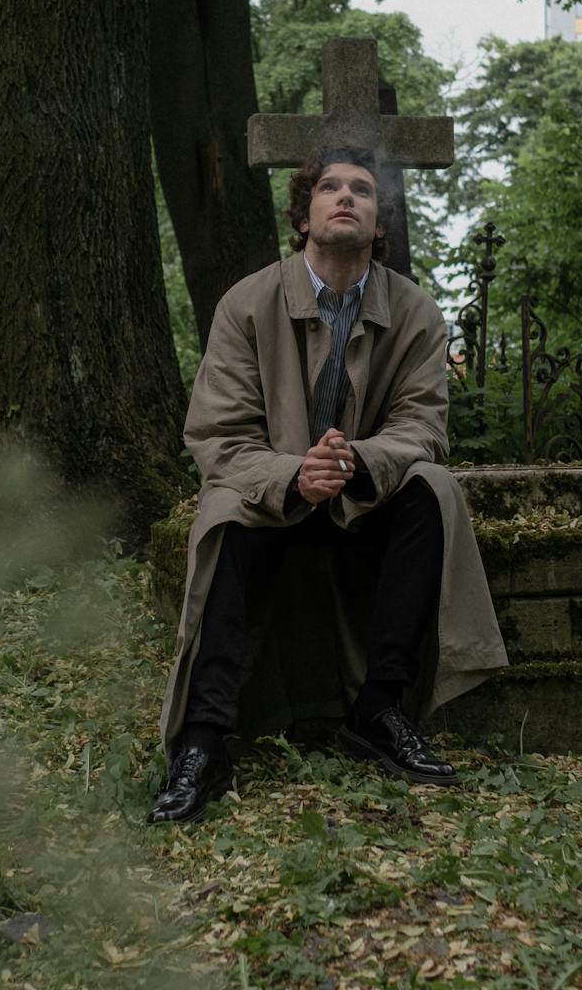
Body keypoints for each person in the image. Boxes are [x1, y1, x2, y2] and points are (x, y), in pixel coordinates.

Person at [149, 145, 508, 825]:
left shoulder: (416, 313)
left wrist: (353, 464)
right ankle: (203, 739)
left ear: (380, 225)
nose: (346, 196)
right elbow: (220, 436)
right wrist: (295, 475)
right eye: (329, 187)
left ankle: (379, 711)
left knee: (433, 487)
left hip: (360, 501)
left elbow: (422, 427)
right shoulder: (247, 304)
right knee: (224, 513)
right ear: (304, 215)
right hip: (272, 501)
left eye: (363, 191)